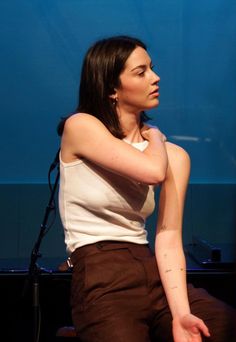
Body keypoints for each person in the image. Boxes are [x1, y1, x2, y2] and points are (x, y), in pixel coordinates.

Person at [57, 36, 236, 342]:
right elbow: (152, 171)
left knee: (217, 323)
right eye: (141, 72)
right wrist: (155, 138)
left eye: (152, 68)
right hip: (101, 271)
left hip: (147, 265)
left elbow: (167, 236)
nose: (156, 77)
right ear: (112, 88)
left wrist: (181, 315)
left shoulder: (176, 157)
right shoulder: (81, 126)